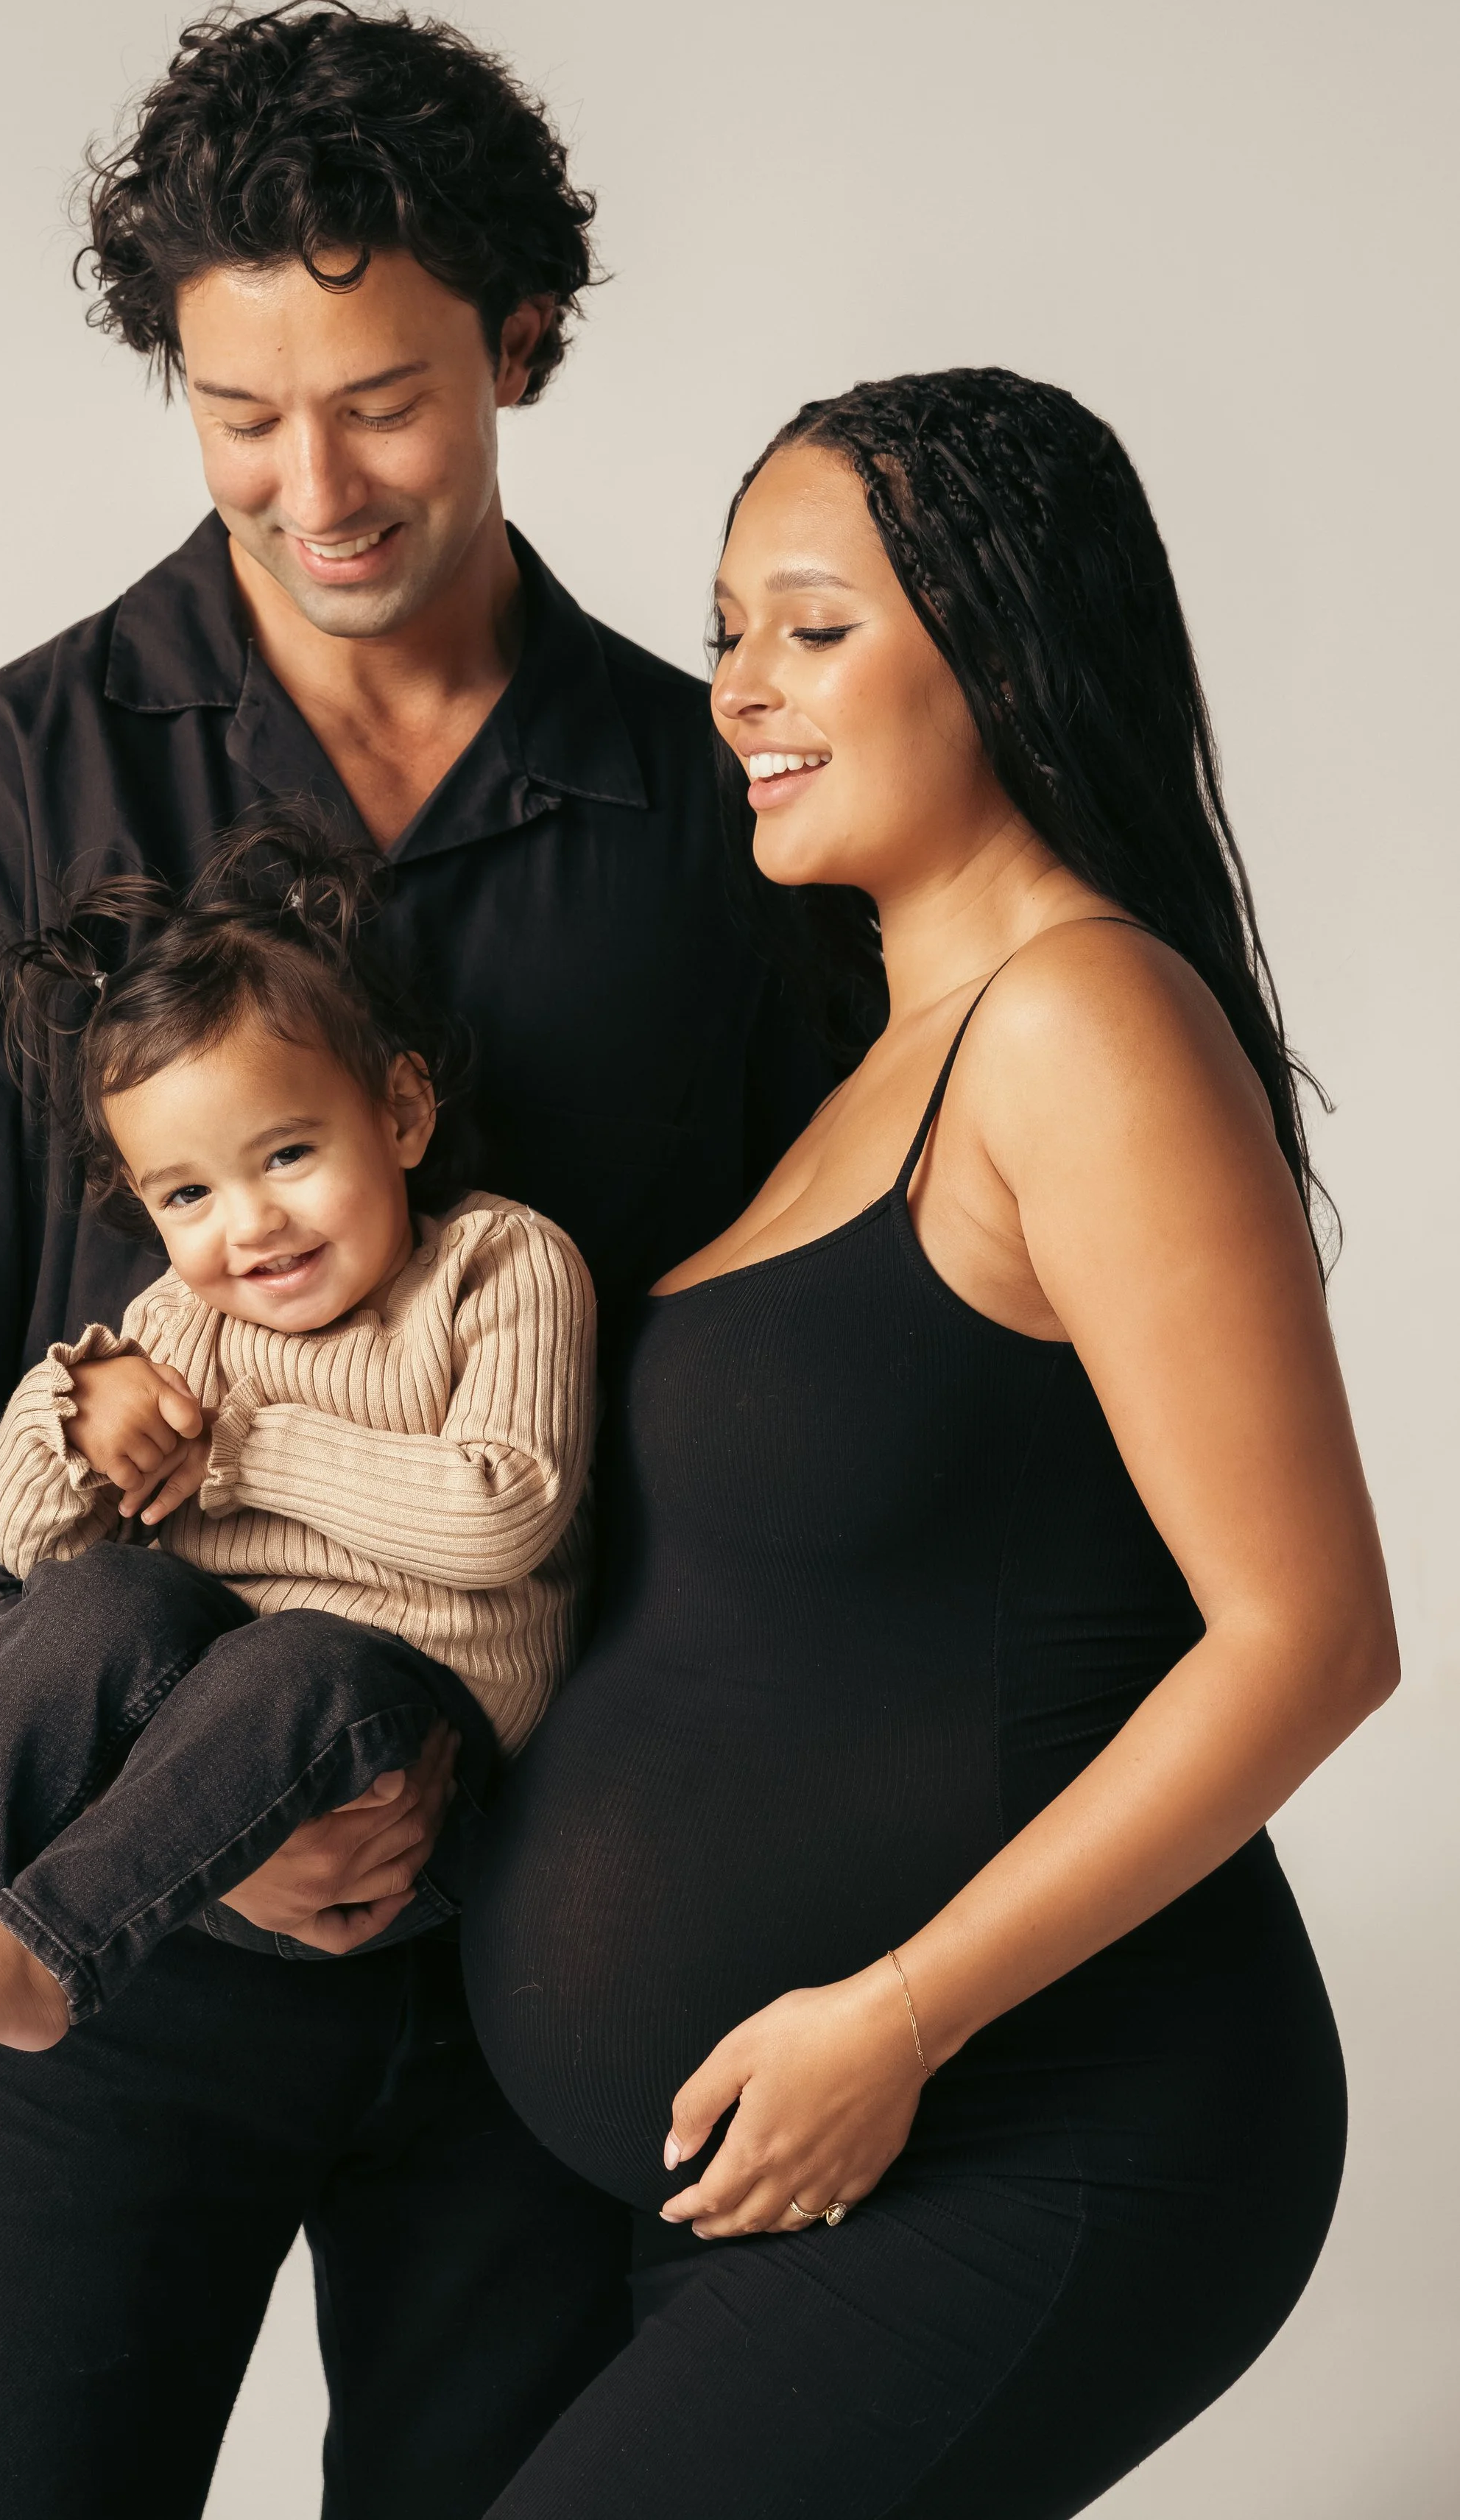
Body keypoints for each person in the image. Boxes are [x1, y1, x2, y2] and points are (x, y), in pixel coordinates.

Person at [0, 0, 829, 2520]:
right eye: (242, 414)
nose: (312, 485)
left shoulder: (723, 824)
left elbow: (832, 1369)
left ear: (521, 347)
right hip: (94, 1936)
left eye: (383, 403)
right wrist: (167, 1785)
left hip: (566, 1948)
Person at [464, 367, 1399, 2518]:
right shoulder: (872, 1059)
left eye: (811, 626)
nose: (737, 688)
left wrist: (894, 2017)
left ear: (999, 645)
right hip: (795, 2156)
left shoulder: (1080, 1019)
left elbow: (1307, 1638)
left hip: (1030, 2120)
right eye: (722, 631)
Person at [0, 812, 595, 2083]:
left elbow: (500, 1512)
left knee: (297, 1654)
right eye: (188, 1193)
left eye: (288, 1154)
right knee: (99, 1595)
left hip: (402, 1785)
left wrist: (243, 1454)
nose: (251, 1225)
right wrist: (75, 1411)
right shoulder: (182, 1320)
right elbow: (31, 1545)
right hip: (198, 1813)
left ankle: (44, 1950)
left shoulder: (496, 1265)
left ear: (402, 1111)